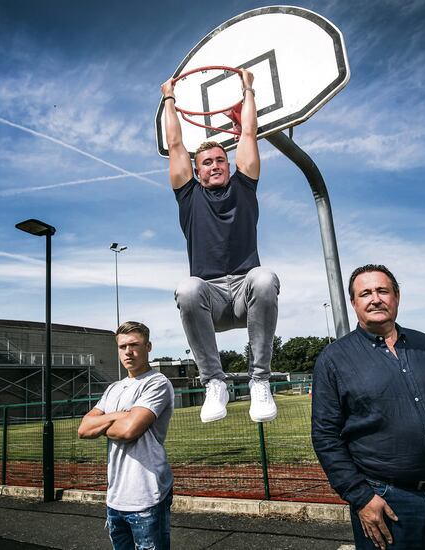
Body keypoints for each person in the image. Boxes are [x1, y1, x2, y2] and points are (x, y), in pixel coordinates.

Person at [311, 265, 425, 550]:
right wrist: (361, 497)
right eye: (365, 293)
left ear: (397, 296)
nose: (375, 298)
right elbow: (325, 436)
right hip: (387, 502)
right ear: (354, 303)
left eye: (382, 290)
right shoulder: (333, 359)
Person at [160, 68, 279, 424]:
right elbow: (176, 145)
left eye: (220, 161)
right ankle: (215, 382)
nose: (215, 165)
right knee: (187, 287)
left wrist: (248, 89)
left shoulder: (244, 186)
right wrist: (169, 96)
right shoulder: (189, 195)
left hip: (245, 294)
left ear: (229, 165)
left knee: (263, 276)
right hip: (208, 298)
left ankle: (260, 380)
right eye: (207, 162)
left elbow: (248, 132)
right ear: (196, 171)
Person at [78, 321, 174, 550]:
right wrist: (122, 414)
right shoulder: (113, 389)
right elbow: (83, 429)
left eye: (134, 345)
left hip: (146, 496)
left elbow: (129, 431)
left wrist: (103, 423)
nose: (128, 352)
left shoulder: (157, 383)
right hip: (115, 499)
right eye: (122, 347)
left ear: (148, 346)